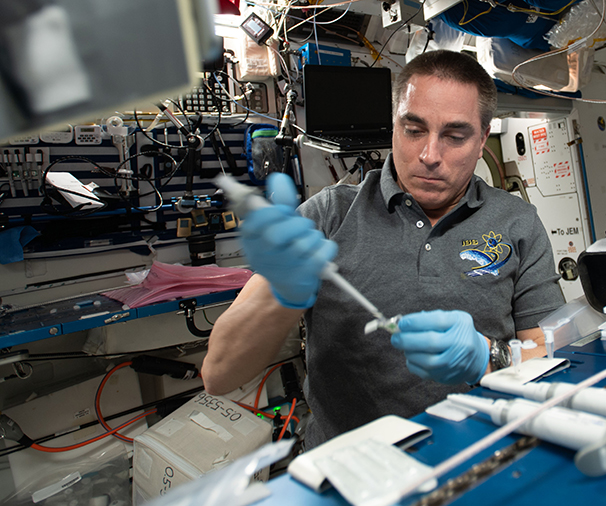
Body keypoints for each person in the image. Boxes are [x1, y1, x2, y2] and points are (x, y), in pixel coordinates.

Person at [202, 50, 565, 448]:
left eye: (455, 136)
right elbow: (219, 374)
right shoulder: (327, 216)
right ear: (393, 127)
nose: (430, 155)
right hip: (351, 473)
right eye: (413, 130)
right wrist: (280, 294)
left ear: (482, 140)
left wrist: (489, 358)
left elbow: (554, 358)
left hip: (481, 460)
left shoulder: (516, 222)